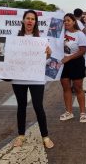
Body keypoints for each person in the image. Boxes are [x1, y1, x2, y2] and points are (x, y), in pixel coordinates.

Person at [7, 10, 54, 149]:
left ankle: (45, 136)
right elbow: (5, 55)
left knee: (38, 106)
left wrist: (48, 55)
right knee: (21, 106)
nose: (30, 21)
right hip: (18, 78)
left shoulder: (41, 39)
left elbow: (46, 61)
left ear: (35, 22)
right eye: (27, 18)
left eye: (33, 19)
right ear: (23, 20)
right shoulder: (14, 38)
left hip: (36, 78)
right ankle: (21, 135)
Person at [59, 13, 86, 123]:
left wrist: (69, 58)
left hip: (77, 63)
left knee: (78, 88)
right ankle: (69, 112)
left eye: (68, 20)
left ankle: (83, 113)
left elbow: (83, 50)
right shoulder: (61, 33)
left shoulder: (80, 34)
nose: (66, 22)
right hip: (64, 63)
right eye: (64, 21)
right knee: (66, 88)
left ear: (74, 22)